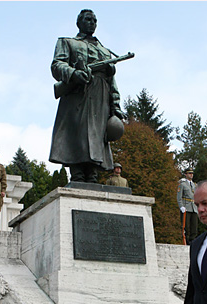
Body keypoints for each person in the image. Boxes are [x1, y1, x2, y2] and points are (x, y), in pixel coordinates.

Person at [49, 9, 125, 183]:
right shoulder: (67, 42)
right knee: (77, 134)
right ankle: (77, 174)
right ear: (79, 22)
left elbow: (112, 81)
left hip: (100, 97)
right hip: (78, 93)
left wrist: (115, 106)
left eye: (94, 20)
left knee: (97, 136)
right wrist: (74, 74)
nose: (92, 22)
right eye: (88, 19)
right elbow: (57, 65)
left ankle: (92, 174)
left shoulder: (105, 51)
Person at [177, 168, 198, 244]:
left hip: (194, 208)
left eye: (192, 173)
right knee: (186, 228)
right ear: (186, 174)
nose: (191, 174)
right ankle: (186, 242)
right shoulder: (182, 184)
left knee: (194, 228)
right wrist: (181, 206)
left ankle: (192, 242)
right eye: (189, 173)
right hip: (186, 207)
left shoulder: (195, 185)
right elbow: (179, 197)